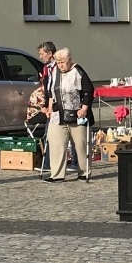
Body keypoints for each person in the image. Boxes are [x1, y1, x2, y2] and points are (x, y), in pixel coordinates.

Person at [46, 48, 92, 182]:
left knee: (81, 144)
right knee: (56, 143)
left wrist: (84, 109)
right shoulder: (54, 72)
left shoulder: (77, 71)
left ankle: (84, 172)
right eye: (58, 62)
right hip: (57, 114)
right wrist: (49, 109)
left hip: (77, 114)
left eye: (63, 62)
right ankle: (57, 174)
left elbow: (88, 91)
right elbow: (50, 93)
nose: (60, 65)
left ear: (69, 60)